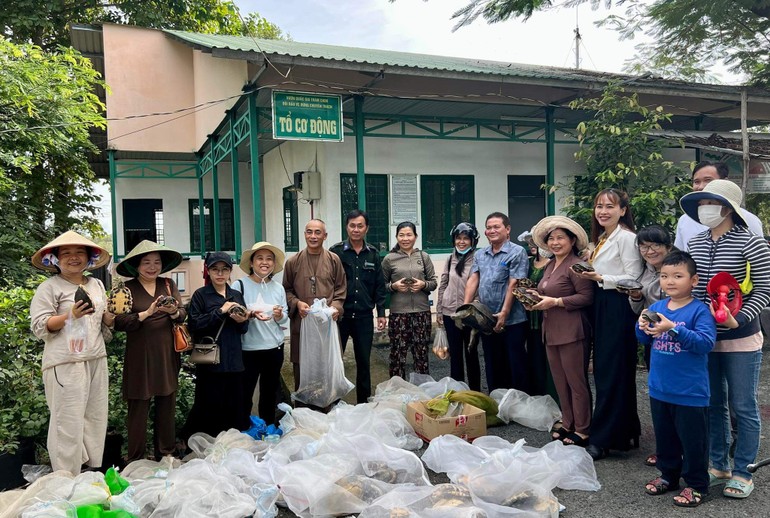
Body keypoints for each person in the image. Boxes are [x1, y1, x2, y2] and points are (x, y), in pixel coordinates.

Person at [680, 179, 770, 499]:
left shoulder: (752, 243)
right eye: (701, 203)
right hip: (706, 338)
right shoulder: (697, 243)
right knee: (713, 403)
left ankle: (744, 471)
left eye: (710, 202)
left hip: (742, 338)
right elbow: (691, 287)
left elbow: (764, 289)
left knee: (743, 405)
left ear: (729, 208)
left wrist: (740, 318)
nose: (704, 209)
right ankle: (719, 464)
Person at [637, 250, 716, 508]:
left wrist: (673, 328)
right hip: (660, 388)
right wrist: (641, 327)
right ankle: (668, 475)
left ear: (694, 281)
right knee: (665, 436)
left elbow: (705, 344)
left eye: (678, 276)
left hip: (690, 391)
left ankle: (696, 484)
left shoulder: (699, 311)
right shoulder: (657, 307)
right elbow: (645, 339)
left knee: (694, 441)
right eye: (664, 276)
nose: (669, 281)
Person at [30, 231, 113, 475]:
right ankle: (66, 478)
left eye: (80, 253)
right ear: (55, 259)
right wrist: (70, 315)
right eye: (66, 253)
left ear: (89, 258)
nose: (73, 258)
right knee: (67, 422)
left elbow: (102, 319)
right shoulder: (49, 287)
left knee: (95, 419)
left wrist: (117, 314)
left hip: (96, 358)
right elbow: (40, 325)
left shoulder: (97, 284)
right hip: (65, 363)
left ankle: (90, 474)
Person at [576, 188, 643, 460]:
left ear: (623, 210)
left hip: (616, 305)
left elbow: (634, 278)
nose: (603, 211)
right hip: (602, 303)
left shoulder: (627, 238)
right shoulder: (604, 238)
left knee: (611, 371)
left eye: (610, 206)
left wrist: (600, 277)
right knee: (608, 371)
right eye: (599, 206)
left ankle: (603, 438)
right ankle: (623, 433)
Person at [114, 240, 186, 462]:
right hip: (139, 355)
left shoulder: (167, 284)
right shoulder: (126, 289)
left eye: (156, 262)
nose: (152, 266)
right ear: (137, 265)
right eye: (146, 262)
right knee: (138, 407)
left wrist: (173, 311)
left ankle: (166, 452)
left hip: (166, 353)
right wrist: (147, 312)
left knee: (167, 403)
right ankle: (136, 457)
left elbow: (182, 314)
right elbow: (119, 322)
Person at [528, 216, 594, 448]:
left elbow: (586, 297)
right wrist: (533, 299)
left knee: (576, 381)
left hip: (572, 330)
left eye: (560, 238)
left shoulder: (578, 265)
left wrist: (555, 302)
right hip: (551, 330)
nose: (555, 243)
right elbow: (544, 291)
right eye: (551, 239)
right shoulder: (549, 265)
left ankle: (583, 429)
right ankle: (568, 421)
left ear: (572, 240)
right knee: (560, 381)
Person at [182, 252, 249, 440]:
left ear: (230, 272)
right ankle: (205, 445)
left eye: (224, 269)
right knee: (209, 405)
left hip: (234, 360)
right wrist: (220, 311)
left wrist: (241, 320)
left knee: (233, 405)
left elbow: (244, 328)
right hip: (210, 362)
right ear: (208, 271)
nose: (220, 274)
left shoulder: (236, 295)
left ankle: (230, 445)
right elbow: (194, 325)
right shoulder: (201, 295)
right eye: (215, 269)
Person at [625, 224, 674, 468]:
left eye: (655, 245)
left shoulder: (677, 269)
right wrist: (635, 297)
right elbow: (639, 308)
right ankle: (664, 449)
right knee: (658, 395)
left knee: (679, 399)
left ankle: (682, 449)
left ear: (668, 246)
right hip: (653, 340)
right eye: (644, 246)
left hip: (676, 339)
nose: (649, 250)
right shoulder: (644, 271)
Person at [464, 212, 529, 392]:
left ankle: (519, 404)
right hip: (487, 318)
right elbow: (473, 279)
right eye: (488, 227)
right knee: (492, 362)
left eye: (496, 227)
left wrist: (505, 312)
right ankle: (497, 401)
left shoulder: (517, 252)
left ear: (507, 229)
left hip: (513, 320)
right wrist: (465, 308)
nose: (491, 231)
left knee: (515, 362)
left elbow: (514, 283)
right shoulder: (480, 254)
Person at [330, 210, 387, 403]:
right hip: (340, 317)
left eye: (360, 226)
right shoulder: (335, 252)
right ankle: (334, 403)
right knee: (336, 363)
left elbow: (379, 285)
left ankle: (363, 405)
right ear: (347, 227)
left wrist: (381, 313)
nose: (356, 229)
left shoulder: (373, 254)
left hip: (363, 317)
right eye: (352, 225)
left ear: (366, 228)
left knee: (364, 363)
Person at [283, 219, 346, 390]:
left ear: (325, 236)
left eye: (318, 232)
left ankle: (327, 409)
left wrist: (336, 307)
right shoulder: (292, 262)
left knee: (326, 367)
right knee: (302, 368)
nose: (313, 236)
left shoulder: (334, 260)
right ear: (304, 234)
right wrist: (297, 303)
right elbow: (286, 290)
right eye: (309, 232)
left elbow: (341, 289)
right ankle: (303, 411)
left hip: (326, 325)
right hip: (302, 323)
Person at [233, 241, 289, 425]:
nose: (264, 262)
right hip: (247, 349)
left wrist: (279, 315)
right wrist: (249, 314)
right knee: (244, 393)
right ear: (251, 263)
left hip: (274, 348)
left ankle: (268, 428)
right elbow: (233, 314)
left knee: (270, 392)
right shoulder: (238, 285)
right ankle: (243, 429)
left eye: (269, 259)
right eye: (259, 258)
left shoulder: (278, 288)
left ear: (273, 264)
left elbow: (284, 318)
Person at [382, 221, 437, 379]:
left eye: (409, 234)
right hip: (399, 314)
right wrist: (394, 286)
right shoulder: (389, 259)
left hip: (421, 312)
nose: (405, 238)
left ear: (415, 236)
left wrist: (423, 284)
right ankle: (397, 389)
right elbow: (381, 286)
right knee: (398, 355)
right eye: (401, 235)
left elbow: (433, 283)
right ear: (396, 237)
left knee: (421, 354)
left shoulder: (423, 257)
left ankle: (422, 389)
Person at [674, 161, 764, 251]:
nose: (701, 186)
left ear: (725, 182)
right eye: (696, 182)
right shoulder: (685, 221)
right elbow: (680, 258)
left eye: (708, 180)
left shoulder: (749, 220)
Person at [436, 222, 481, 390]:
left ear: (472, 241)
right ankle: (458, 391)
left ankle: (476, 392)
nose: (461, 242)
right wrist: (440, 311)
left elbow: (480, 285)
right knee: (455, 356)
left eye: (466, 239)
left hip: (469, 315)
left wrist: (473, 305)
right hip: (450, 314)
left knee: (471, 355)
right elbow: (443, 284)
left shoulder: (479, 259)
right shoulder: (450, 259)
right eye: (458, 238)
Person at [518, 230, 556, 398]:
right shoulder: (528, 262)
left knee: (548, 356)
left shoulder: (552, 263)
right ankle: (535, 392)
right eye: (530, 243)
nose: (532, 246)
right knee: (533, 353)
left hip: (546, 315)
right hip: (528, 315)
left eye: (535, 243)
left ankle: (551, 394)